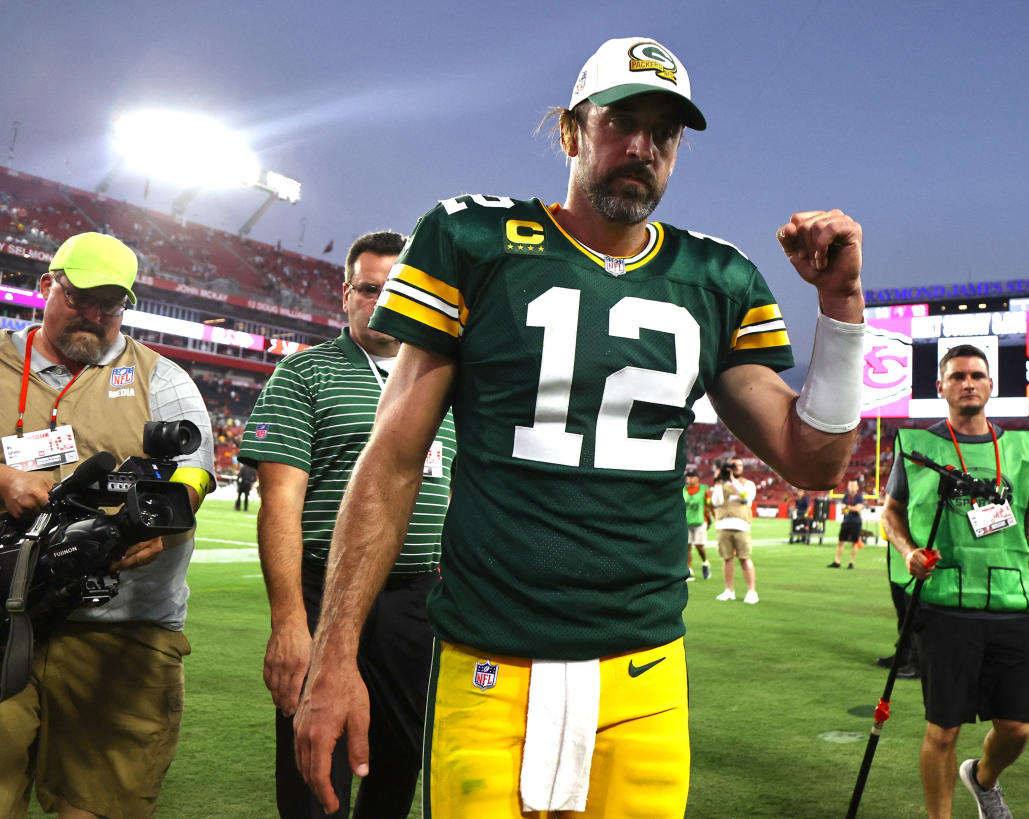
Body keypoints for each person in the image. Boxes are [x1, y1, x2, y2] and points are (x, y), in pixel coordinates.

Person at [292, 36, 867, 818]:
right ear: (570, 130)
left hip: (644, 671)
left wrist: (840, 311)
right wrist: (334, 653)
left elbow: (813, 461)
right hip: (487, 659)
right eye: (620, 120)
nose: (642, 145)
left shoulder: (717, 278)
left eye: (664, 131)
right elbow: (393, 457)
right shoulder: (471, 241)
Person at [240, 231, 457, 817]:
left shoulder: (448, 384)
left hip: (417, 598)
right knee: (315, 766)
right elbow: (280, 502)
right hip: (322, 591)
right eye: (368, 289)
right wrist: (288, 622)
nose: (381, 301)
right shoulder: (304, 374)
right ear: (346, 294)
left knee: (398, 763)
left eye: (397, 289)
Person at [0, 232, 215, 818]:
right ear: (47, 285)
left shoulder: (162, 379)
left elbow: (196, 472)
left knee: (101, 808)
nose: (95, 316)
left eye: (112, 305)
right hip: (3, 618)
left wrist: (162, 522)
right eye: (81, 298)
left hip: (120, 632)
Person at [882, 344, 1029, 819]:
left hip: (1013, 604)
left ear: (991, 386)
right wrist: (908, 553)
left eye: (976, 375)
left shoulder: (1018, 448)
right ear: (941, 387)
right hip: (946, 606)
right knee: (942, 732)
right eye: (957, 376)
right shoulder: (918, 446)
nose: (967, 383)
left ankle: (983, 778)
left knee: (1017, 729)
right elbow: (890, 512)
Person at [712, 457, 759, 603]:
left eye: (738, 465)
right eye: (733, 465)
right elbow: (716, 502)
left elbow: (746, 496)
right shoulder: (721, 484)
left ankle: (751, 591)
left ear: (742, 468)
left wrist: (732, 479)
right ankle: (729, 590)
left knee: (744, 558)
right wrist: (718, 481)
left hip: (741, 525)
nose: (735, 467)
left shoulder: (748, 484)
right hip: (723, 525)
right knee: (727, 559)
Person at [830, 477, 866, 568]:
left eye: (853, 485)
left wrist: (848, 508)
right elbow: (843, 509)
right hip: (846, 521)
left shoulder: (859, 497)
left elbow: (858, 509)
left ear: (857, 487)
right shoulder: (846, 496)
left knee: (854, 542)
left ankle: (851, 563)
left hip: (856, 522)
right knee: (841, 541)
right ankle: (837, 561)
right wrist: (851, 508)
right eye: (850, 485)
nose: (852, 487)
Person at [683, 468, 711, 581]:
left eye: (691, 477)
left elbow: (708, 504)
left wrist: (709, 518)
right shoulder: (684, 490)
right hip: (687, 522)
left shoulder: (704, 489)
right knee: (687, 547)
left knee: (699, 546)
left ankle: (705, 562)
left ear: (697, 478)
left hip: (700, 521)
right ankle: (689, 570)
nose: (688, 479)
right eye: (687, 477)